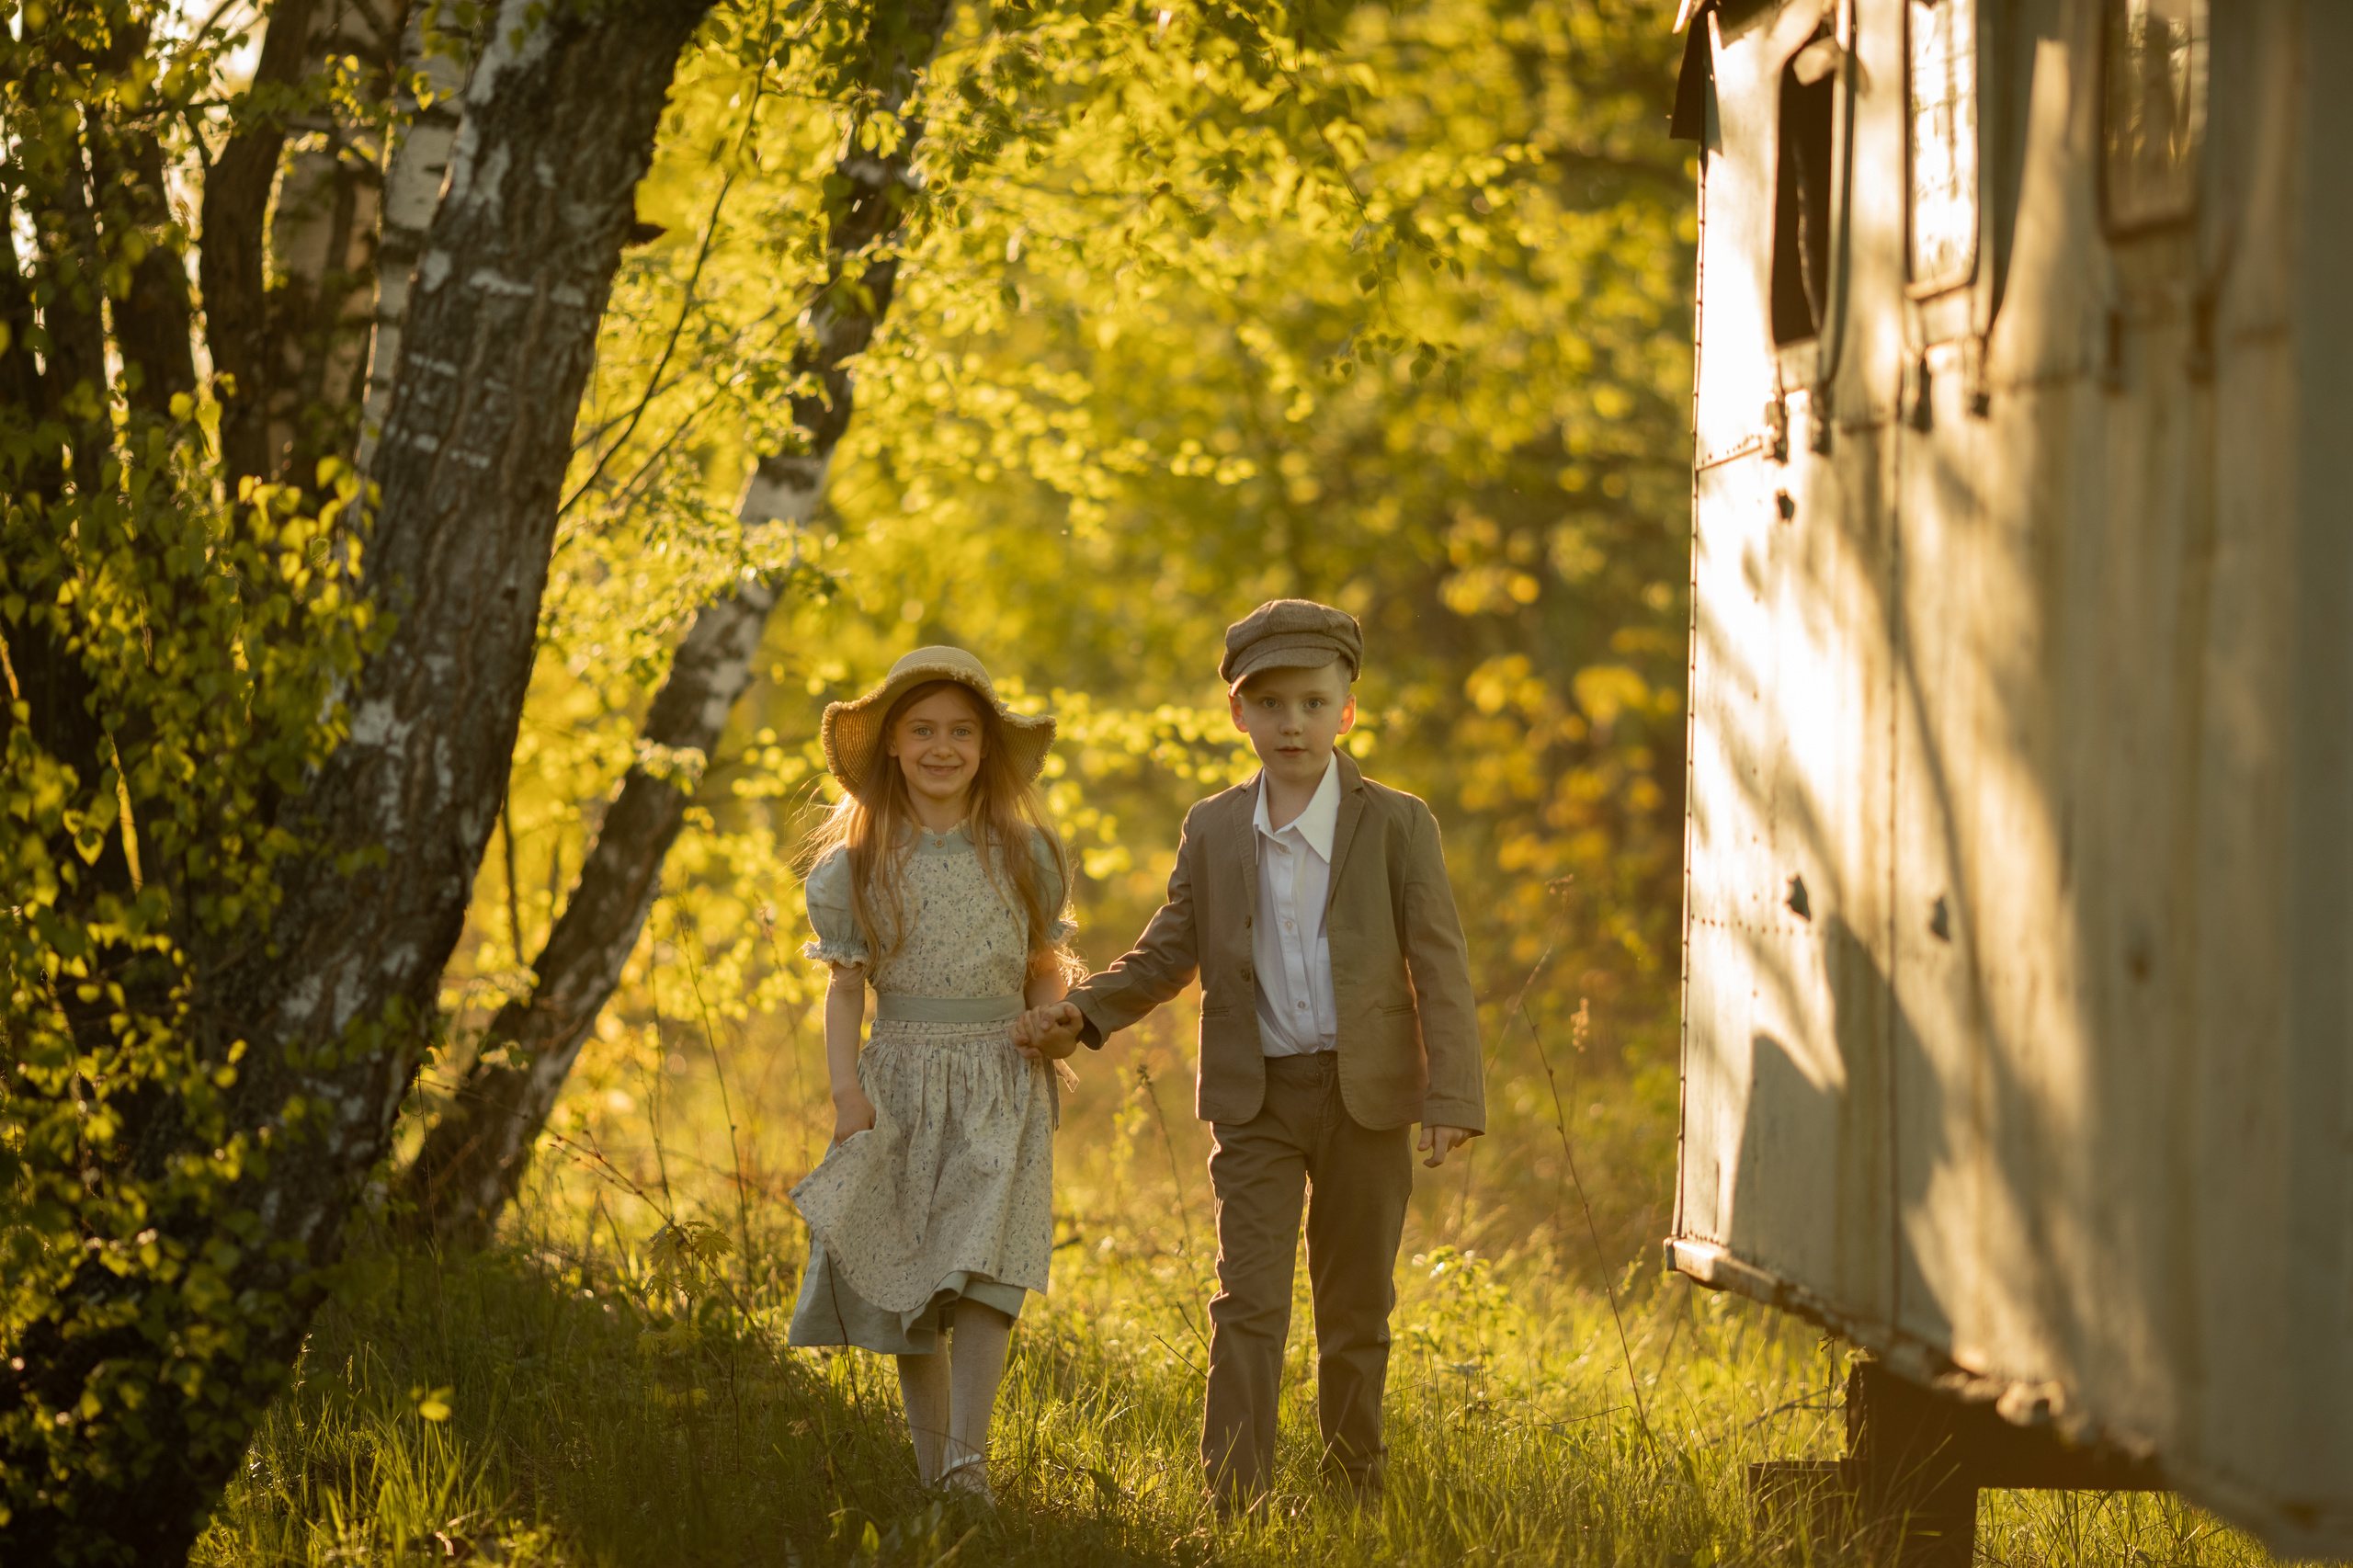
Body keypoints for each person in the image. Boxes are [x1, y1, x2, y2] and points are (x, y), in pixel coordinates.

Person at [1014, 599, 1483, 1514]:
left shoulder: (1399, 823)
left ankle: (1354, 1486)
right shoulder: (1215, 827)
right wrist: (1082, 1011)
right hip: (1257, 1096)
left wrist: (1452, 1093)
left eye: (1312, 702)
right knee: (1249, 1300)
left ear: (1347, 709)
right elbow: (1166, 951)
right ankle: (1235, 1498)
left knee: (1356, 1306)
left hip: (1367, 1098)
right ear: (1238, 713)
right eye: (1269, 704)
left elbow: (1440, 964)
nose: (1291, 722)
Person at [788, 646, 1078, 1505]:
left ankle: (968, 1465)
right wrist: (847, 1096)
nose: (941, 747)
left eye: (960, 732)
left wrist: (1050, 1018)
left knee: (988, 1273)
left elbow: (1044, 967)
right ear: (892, 744)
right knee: (913, 1283)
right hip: (902, 1086)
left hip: (1002, 1078)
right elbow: (846, 989)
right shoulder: (858, 864)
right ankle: (935, 1473)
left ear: (985, 748)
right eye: (922, 730)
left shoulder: (1024, 854)